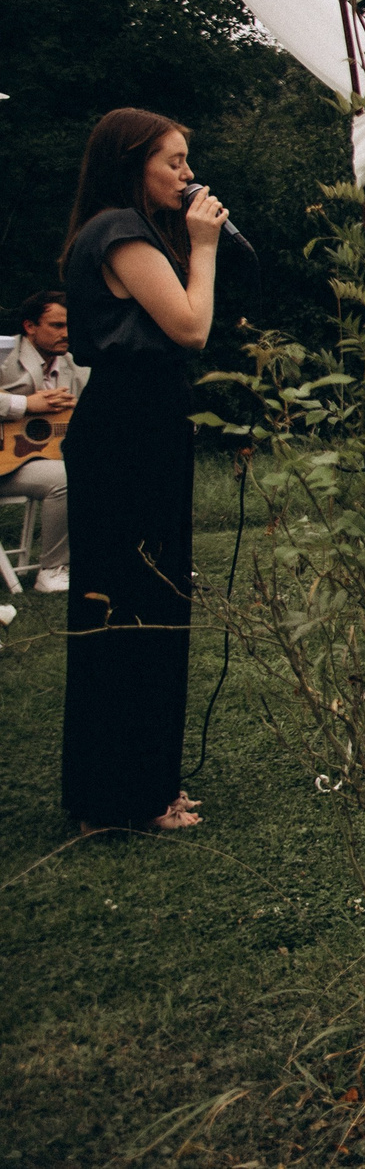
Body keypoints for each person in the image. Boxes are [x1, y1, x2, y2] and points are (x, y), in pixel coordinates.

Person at [58, 109, 227, 831]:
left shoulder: (120, 231)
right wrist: (205, 246)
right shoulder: (120, 233)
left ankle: (143, 781)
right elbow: (190, 325)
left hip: (140, 425)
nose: (187, 176)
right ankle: (124, 793)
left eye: (187, 162)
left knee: (151, 596)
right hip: (129, 433)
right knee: (135, 598)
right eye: (174, 162)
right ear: (133, 163)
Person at [1, 289, 84, 593]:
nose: (66, 333)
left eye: (69, 326)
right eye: (57, 326)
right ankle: (51, 571)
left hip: (31, 462)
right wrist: (25, 406)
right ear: (29, 326)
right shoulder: (5, 356)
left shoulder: (74, 365)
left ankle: (130, 559)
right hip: (2, 463)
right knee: (65, 478)